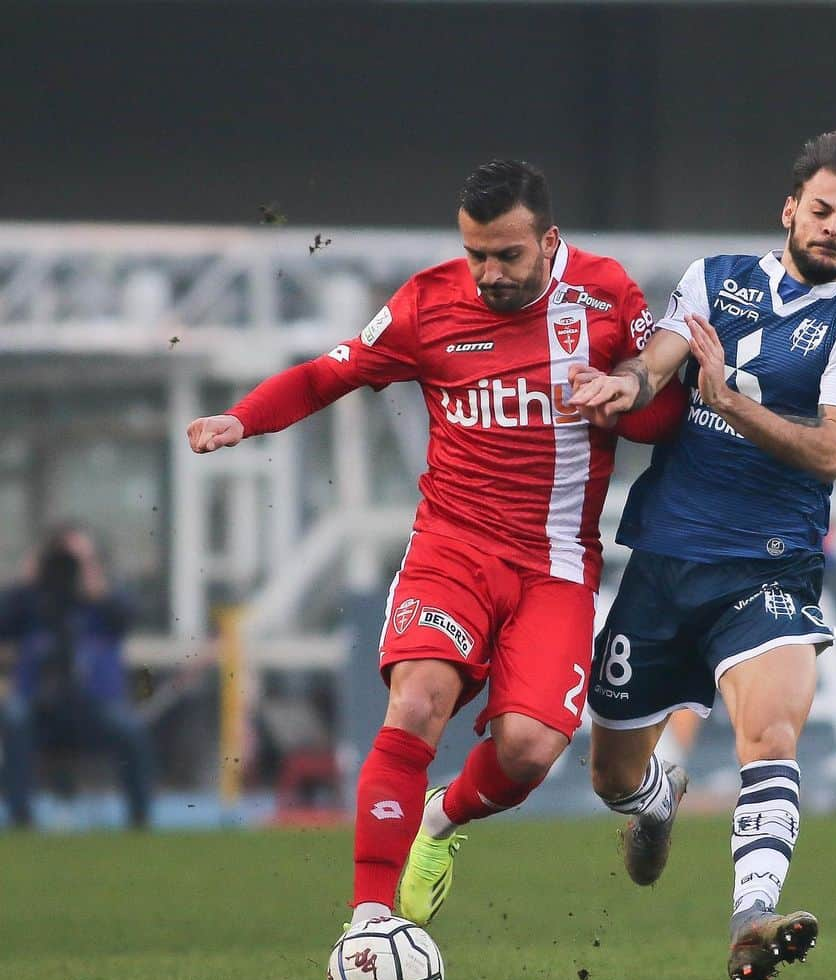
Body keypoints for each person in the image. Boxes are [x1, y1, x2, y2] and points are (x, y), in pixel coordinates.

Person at [187, 161, 684, 932]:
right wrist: (243, 419)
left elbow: (661, 415)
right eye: (475, 253)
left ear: (549, 242)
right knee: (416, 702)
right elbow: (329, 374)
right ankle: (368, 925)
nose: (487, 274)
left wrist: (625, 394)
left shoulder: (607, 294)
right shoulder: (426, 303)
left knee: (526, 750)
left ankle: (438, 822)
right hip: (452, 549)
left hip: (555, 563)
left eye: (507, 257)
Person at [568, 132, 836, 980]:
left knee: (770, 730)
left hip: (770, 565)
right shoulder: (714, 280)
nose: (832, 229)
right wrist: (626, 388)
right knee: (610, 772)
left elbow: (832, 452)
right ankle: (652, 802)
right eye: (821, 211)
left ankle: (753, 914)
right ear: (790, 209)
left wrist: (726, 403)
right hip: (667, 558)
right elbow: (657, 364)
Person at [0, 525, 154, 828]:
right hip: (39, 705)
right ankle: (21, 816)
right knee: (14, 717)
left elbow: (127, 616)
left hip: (93, 707)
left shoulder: (102, 599)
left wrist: (97, 588)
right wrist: (25, 584)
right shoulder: (32, 600)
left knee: (130, 727)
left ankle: (140, 817)